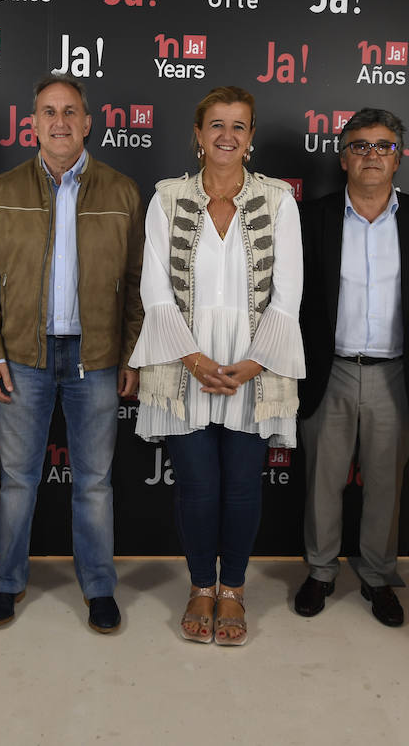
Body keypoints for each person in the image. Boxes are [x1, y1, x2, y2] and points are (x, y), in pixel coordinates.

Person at [129, 85, 304, 645]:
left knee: (243, 487)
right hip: (186, 362)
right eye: (216, 125)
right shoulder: (167, 199)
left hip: (255, 364)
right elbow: (154, 288)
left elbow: (288, 294)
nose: (227, 135)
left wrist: (253, 363)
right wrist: (193, 357)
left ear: (251, 138)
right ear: (197, 135)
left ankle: (233, 591)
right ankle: (200, 585)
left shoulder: (279, 201)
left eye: (239, 126)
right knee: (199, 486)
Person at [0, 72, 144, 634]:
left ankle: (98, 589)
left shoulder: (121, 191)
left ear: (88, 122)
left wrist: (133, 355)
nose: (60, 121)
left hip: (97, 359)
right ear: (34, 122)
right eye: (49, 111)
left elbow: (141, 283)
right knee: (18, 480)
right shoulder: (4, 188)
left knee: (94, 483)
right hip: (23, 356)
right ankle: (6, 583)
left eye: (71, 111)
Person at [293, 108, 409, 627]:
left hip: (395, 373)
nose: (371, 155)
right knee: (322, 482)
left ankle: (379, 576)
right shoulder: (309, 217)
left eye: (383, 146)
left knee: (386, 482)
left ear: (399, 157)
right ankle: (320, 571)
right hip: (329, 369)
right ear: (343, 159)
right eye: (359, 146)